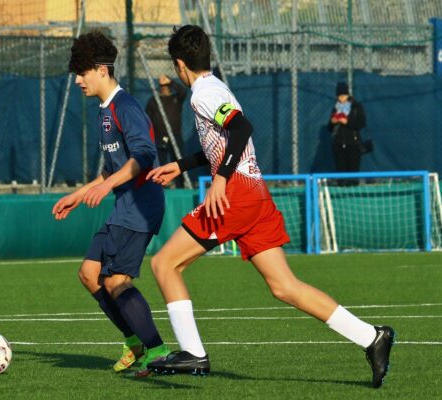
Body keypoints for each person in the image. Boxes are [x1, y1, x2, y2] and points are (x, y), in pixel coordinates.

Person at [145, 25, 395, 388]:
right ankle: (373, 337)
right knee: (284, 286)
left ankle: (193, 353)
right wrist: (182, 165)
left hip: (236, 194)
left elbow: (242, 129)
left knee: (163, 263)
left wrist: (219, 180)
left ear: (179, 65)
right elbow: (225, 139)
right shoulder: (216, 87)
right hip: (255, 193)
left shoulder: (201, 94)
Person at [51, 31, 170, 377]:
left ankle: (157, 351)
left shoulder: (126, 107)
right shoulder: (105, 112)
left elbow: (144, 157)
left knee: (117, 282)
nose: (77, 80)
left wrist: (108, 189)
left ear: (102, 70)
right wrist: (77, 196)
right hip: (124, 206)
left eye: (82, 72)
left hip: (140, 207)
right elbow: (111, 171)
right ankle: (134, 343)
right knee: (89, 274)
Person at [145, 74, 187, 188]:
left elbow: (183, 91)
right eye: (162, 86)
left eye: (166, 85)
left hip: (175, 137)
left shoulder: (176, 98)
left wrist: (171, 81)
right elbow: (147, 118)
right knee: (159, 164)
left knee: (178, 162)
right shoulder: (154, 100)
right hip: (159, 138)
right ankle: (159, 187)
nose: (164, 88)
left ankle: (180, 186)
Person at [328, 82, 366, 185]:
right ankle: (341, 187)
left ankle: (352, 189)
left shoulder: (356, 106)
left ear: (348, 95)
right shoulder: (336, 107)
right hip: (339, 143)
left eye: (344, 96)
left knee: (353, 172)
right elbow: (330, 128)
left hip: (353, 143)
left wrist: (347, 122)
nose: (341, 99)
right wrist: (333, 122)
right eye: (339, 96)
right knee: (341, 172)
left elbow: (361, 123)